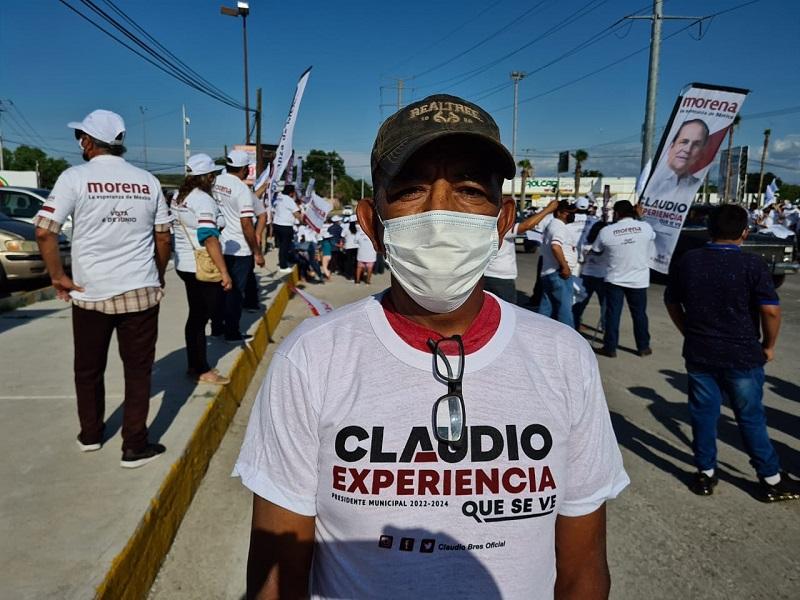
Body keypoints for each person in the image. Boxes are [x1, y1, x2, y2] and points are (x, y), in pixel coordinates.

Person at [235, 93, 628, 599]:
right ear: (372, 223)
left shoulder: (564, 356)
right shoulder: (312, 357)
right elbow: (276, 572)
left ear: (503, 222)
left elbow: (582, 568)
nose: (440, 213)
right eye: (412, 190)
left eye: (468, 189)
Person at [34, 109, 171, 468]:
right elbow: (163, 236)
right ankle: (134, 445)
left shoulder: (74, 178)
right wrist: (156, 275)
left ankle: (91, 434)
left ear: (88, 141)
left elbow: (45, 230)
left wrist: (57, 276)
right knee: (138, 372)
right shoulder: (148, 181)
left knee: (88, 368)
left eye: (80, 135)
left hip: (90, 293)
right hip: (140, 291)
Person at [664, 204, 800, 502]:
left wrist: (689, 331)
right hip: (742, 353)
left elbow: (672, 302)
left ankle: (705, 473)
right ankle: (770, 478)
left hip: (700, 353)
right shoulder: (752, 265)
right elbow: (771, 311)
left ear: (709, 230)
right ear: (745, 232)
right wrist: (769, 345)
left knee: (703, 415)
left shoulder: (689, 261)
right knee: (750, 418)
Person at [172, 154, 233, 385]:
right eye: (213, 175)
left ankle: (194, 364)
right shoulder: (203, 200)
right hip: (201, 267)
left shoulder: (179, 196)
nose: (214, 178)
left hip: (184, 264)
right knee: (200, 317)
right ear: (206, 176)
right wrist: (224, 272)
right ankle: (201, 369)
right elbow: (208, 237)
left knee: (196, 315)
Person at [213, 150, 265, 343]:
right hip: (239, 250)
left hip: (218, 246)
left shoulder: (215, 182)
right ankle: (232, 332)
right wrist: (257, 252)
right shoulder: (242, 190)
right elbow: (246, 223)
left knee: (220, 291)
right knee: (235, 293)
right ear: (244, 169)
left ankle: (217, 327)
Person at [591, 200, 655, 358]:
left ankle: (610, 347)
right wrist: (641, 218)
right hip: (639, 279)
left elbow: (597, 250)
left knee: (613, 314)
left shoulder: (607, 231)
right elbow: (652, 237)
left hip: (615, 278)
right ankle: (643, 347)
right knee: (639, 314)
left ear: (617, 213)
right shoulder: (645, 227)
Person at [483, 198, 559, 304]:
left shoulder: (485, 225)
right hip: (501, 277)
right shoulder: (502, 227)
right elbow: (527, 225)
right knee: (507, 312)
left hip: (486, 274)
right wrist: (548, 209)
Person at [644, 119, 709, 205]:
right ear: (672, 146)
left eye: (696, 144)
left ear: (701, 152)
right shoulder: (653, 182)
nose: (688, 149)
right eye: (684, 142)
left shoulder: (695, 184)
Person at [537, 200, 579, 326]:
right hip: (559, 273)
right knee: (564, 310)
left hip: (549, 271)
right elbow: (555, 246)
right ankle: (570, 341)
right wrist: (565, 267)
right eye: (568, 212)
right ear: (559, 213)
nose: (571, 215)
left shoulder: (553, 225)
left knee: (546, 308)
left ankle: (539, 334)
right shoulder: (559, 226)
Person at [573, 220, 609, 332]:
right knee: (605, 305)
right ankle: (605, 326)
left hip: (587, 274)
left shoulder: (585, 244)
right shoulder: (606, 245)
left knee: (580, 302)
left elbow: (581, 260)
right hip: (602, 276)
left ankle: (575, 323)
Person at [271, 185, 301, 274]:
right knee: (285, 246)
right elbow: (296, 214)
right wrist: (303, 221)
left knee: (282, 246)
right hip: (285, 226)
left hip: (276, 224)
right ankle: (283, 266)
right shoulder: (289, 200)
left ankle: (284, 261)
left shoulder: (279, 197)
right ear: (292, 192)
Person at [354, 220, 377, 284]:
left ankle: (357, 281)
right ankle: (368, 281)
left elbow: (355, 241)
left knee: (359, 268)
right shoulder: (374, 232)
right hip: (371, 254)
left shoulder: (359, 232)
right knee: (370, 268)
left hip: (361, 253)